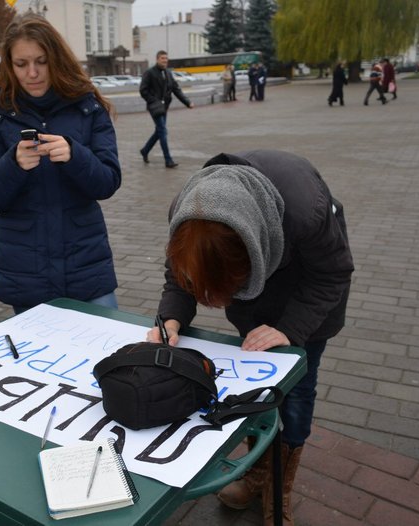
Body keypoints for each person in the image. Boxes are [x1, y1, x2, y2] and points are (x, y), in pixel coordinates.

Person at [146, 150, 353, 525]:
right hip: (255, 302)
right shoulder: (188, 213)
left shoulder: (306, 209)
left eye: (222, 291)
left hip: (309, 300)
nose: (213, 304)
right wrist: (172, 318)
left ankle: (279, 490)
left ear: (251, 257)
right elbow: (179, 274)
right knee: (258, 387)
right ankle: (258, 472)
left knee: (297, 389)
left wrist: (290, 329)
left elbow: (332, 274)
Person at [0, 15, 121, 314]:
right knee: (37, 358)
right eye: (21, 63)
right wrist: (13, 164)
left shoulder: (87, 104)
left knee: (107, 352)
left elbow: (107, 182)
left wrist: (75, 156)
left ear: (56, 58)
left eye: (41, 61)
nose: (33, 73)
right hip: (25, 269)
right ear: (9, 65)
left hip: (86, 264)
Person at [139, 50, 195, 168]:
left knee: (159, 131)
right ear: (157, 59)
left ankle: (145, 150)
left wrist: (187, 102)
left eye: (166, 58)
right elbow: (143, 90)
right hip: (155, 107)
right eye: (162, 58)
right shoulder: (149, 73)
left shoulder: (168, 73)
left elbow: (176, 89)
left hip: (164, 108)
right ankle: (168, 160)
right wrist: (154, 101)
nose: (165, 60)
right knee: (163, 131)